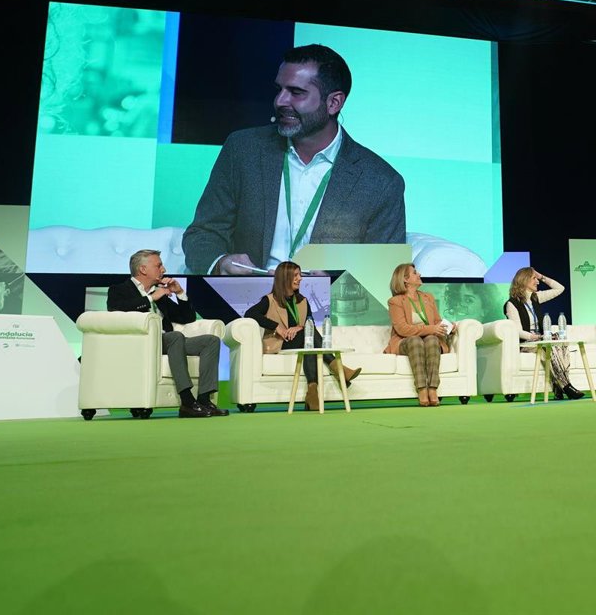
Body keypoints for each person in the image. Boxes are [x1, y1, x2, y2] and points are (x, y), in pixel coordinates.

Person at [182, 44, 406, 275]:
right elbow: (203, 233)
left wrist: (333, 284)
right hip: (245, 293)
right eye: (279, 89)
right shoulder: (243, 150)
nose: (280, 101)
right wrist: (220, 263)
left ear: (333, 103)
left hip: (323, 297)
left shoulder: (381, 182)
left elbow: (385, 272)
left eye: (296, 92)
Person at [106, 250, 226, 418]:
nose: (164, 269)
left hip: (168, 342)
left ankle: (204, 400)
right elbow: (116, 309)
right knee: (175, 337)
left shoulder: (159, 292)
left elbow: (187, 317)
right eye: (159, 265)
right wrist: (151, 298)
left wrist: (179, 293)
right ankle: (187, 401)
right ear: (143, 269)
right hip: (143, 342)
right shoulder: (119, 290)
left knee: (210, 341)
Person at [243, 261, 361, 411]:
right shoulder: (270, 300)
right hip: (280, 343)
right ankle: (339, 369)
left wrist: (299, 328)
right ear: (285, 277)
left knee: (309, 341)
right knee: (308, 336)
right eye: (296, 275)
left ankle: (312, 393)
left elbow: (309, 324)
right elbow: (250, 314)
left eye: (300, 275)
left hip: (301, 341)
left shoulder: (303, 301)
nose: (300, 278)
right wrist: (277, 326)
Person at [504, 268, 583, 400]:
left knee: (561, 344)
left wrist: (541, 276)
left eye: (537, 279)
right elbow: (517, 331)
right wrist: (533, 337)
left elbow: (560, 289)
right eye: (534, 278)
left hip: (541, 340)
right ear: (524, 280)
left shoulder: (536, 298)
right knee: (548, 347)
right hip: (526, 342)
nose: (538, 282)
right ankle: (566, 386)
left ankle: (558, 386)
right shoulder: (511, 304)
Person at [385, 263, 455, 406]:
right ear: (405, 279)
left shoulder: (427, 297)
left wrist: (449, 326)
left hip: (429, 340)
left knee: (432, 339)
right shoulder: (395, 301)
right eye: (415, 273)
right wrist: (431, 329)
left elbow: (436, 321)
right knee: (415, 340)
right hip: (406, 341)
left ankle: (433, 388)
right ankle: (422, 388)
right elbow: (403, 329)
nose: (419, 274)